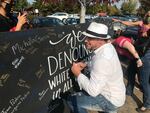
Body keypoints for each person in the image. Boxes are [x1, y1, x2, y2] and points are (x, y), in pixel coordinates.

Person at [65, 22, 126, 113]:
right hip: (117, 95)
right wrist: (86, 64)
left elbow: (93, 91)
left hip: (109, 99)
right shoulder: (108, 47)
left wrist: (77, 73)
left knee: (72, 100)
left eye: (89, 38)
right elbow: (98, 62)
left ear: (100, 40)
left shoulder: (103, 59)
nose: (85, 40)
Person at [113, 16, 150, 112]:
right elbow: (130, 23)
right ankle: (128, 92)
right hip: (136, 53)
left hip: (145, 56)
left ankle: (147, 104)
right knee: (130, 73)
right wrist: (119, 20)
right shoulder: (141, 23)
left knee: (144, 82)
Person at [111, 26, 143, 97]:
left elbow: (130, 47)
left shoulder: (119, 40)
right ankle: (128, 92)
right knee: (130, 75)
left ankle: (144, 90)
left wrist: (138, 59)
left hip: (138, 58)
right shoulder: (114, 45)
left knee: (142, 78)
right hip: (133, 59)